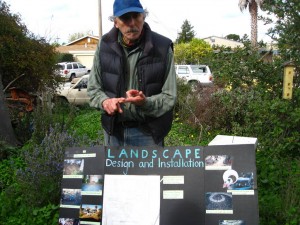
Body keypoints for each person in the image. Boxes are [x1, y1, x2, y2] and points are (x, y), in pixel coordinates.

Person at [87, 0, 177, 147]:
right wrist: (105, 102)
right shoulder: (104, 46)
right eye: (125, 18)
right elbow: (93, 89)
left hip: (149, 133)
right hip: (114, 133)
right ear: (116, 22)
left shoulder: (162, 47)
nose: (132, 23)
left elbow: (169, 96)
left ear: (143, 17)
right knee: (114, 172)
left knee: (149, 171)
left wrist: (146, 103)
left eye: (136, 16)